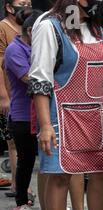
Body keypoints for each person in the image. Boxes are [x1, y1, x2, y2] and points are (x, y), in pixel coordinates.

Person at [28, 0, 103, 210]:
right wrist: (46, 126)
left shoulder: (94, 28)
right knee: (60, 174)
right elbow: (40, 79)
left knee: (100, 173)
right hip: (61, 112)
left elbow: (102, 74)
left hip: (97, 111)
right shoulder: (49, 25)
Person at [4, 7, 39, 210]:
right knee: (27, 159)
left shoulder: (40, 46)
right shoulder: (14, 50)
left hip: (43, 112)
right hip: (22, 114)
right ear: (31, 30)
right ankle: (21, 200)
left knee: (47, 160)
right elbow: (29, 78)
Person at [0, 0, 32, 196]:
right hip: (9, 92)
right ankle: (19, 186)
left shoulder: (30, 28)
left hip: (25, 95)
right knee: (13, 141)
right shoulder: (3, 28)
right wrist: (3, 96)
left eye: (28, 2)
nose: (26, 5)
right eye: (22, 3)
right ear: (9, 7)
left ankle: (19, 183)